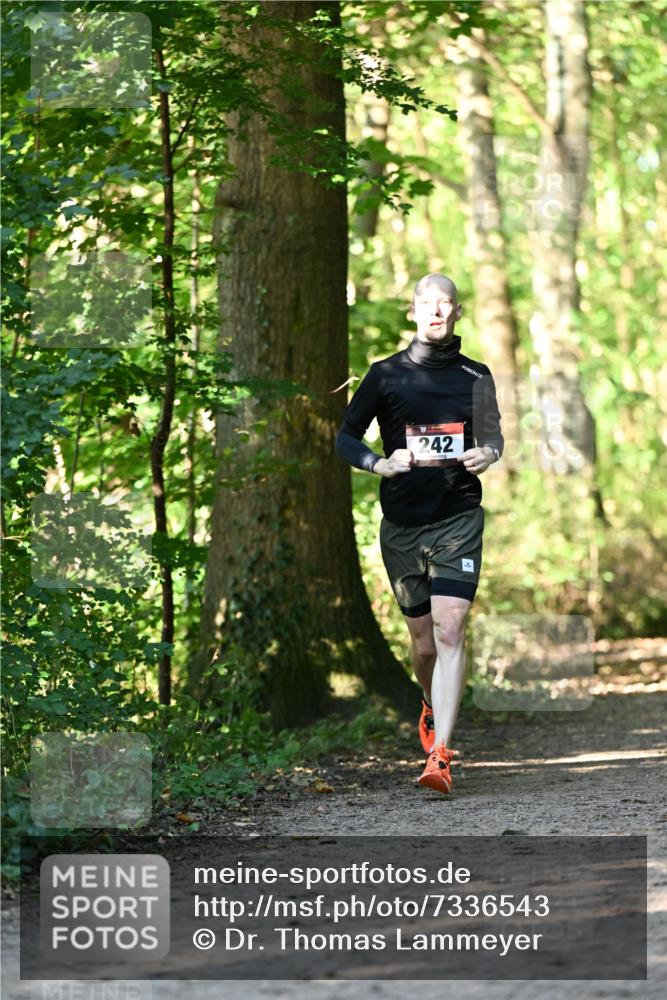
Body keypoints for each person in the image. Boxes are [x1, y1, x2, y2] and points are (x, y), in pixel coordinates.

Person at [336, 273, 504, 794]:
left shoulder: (476, 374)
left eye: (445, 303)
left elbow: (494, 435)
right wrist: (378, 464)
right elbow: (345, 437)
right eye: (426, 303)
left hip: (458, 517)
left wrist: (488, 454)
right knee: (425, 643)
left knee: (451, 627)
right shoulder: (385, 375)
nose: (435, 311)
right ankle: (429, 705)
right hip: (403, 527)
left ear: (458, 312)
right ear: (413, 312)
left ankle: (441, 756)